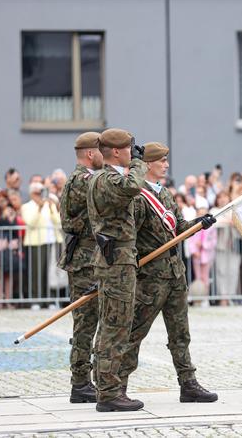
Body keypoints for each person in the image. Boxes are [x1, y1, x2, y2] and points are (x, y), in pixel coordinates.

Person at [119, 142, 218, 403]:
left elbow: (178, 228)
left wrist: (198, 224)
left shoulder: (164, 194)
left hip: (175, 274)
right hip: (150, 278)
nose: (166, 165)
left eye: (166, 160)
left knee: (180, 334)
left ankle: (188, 384)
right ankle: (116, 386)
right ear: (148, 164)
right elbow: (130, 236)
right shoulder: (138, 197)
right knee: (135, 333)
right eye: (161, 161)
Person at [87, 128, 148, 412]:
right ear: (115, 151)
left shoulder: (104, 177)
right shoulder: (107, 179)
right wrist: (138, 164)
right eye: (128, 150)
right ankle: (109, 393)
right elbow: (132, 187)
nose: (131, 155)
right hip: (117, 264)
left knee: (112, 326)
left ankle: (107, 388)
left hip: (117, 260)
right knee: (116, 327)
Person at [57, 132, 103, 403]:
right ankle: (80, 383)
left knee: (90, 323)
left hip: (90, 259)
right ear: (90, 153)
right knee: (85, 325)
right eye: (101, 151)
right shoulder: (83, 181)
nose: (104, 155)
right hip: (84, 262)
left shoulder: (83, 179)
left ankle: (86, 381)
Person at [21, 181, 62, 299]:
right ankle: (36, 299)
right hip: (36, 243)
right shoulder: (27, 206)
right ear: (31, 194)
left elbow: (58, 222)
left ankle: (50, 299)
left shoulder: (49, 205)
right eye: (37, 193)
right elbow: (31, 223)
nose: (39, 195)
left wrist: (51, 207)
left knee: (51, 273)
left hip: (53, 242)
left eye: (41, 192)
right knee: (37, 273)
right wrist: (39, 207)